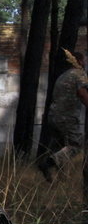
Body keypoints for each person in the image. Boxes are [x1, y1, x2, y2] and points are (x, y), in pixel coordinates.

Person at [40, 52, 88, 184]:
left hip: (53, 117)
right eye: (84, 60)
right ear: (78, 61)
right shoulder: (79, 74)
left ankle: (59, 182)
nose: (85, 63)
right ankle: (48, 163)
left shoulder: (63, 75)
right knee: (76, 145)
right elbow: (83, 94)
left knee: (60, 148)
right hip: (67, 117)